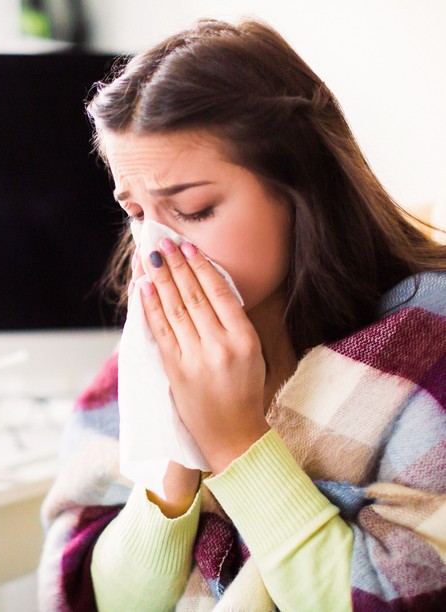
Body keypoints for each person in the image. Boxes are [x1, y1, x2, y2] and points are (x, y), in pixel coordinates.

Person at [38, 18, 446, 611]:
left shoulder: (426, 344)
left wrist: (235, 442)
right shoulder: (137, 365)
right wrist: (174, 450)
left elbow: (400, 597)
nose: (156, 248)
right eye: (135, 211)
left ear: (300, 191)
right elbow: (103, 600)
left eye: (194, 209)